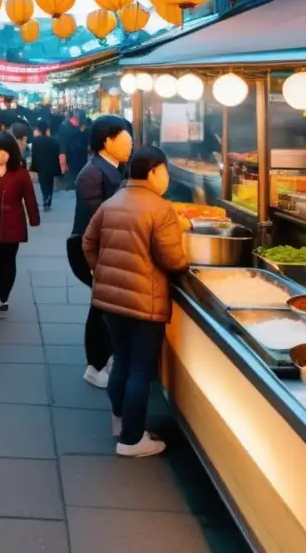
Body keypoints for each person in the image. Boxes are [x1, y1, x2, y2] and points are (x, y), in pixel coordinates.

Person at [82, 146, 188, 458]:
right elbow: (172, 258)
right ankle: (131, 440)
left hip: (111, 299)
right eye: (165, 170)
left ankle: (121, 419)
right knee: (141, 369)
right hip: (145, 302)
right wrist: (185, 266)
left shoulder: (113, 201)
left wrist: (102, 271)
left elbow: (88, 242)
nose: (166, 177)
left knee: (122, 361)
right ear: (154, 171)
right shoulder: (160, 208)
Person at [72, 115, 133, 390]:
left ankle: (102, 359)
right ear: (107, 141)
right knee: (100, 307)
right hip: (93, 251)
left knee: (104, 306)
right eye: (125, 139)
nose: (130, 145)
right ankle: (95, 366)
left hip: (107, 250)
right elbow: (97, 221)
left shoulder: (113, 168)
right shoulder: (92, 173)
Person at [0, 131, 40, 312]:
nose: (0, 155)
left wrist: (34, 218)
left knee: (9, 261)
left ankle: (4, 297)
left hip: (14, 223)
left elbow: (29, 198)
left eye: (4, 152)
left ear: (11, 153)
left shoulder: (20, 174)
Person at [30, 120, 61, 210]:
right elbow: (56, 153)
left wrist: (33, 165)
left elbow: (34, 154)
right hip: (51, 165)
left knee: (43, 183)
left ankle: (45, 198)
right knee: (50, 183)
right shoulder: (53, 140)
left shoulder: (35, 140)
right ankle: (48, 199)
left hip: (40, 165)